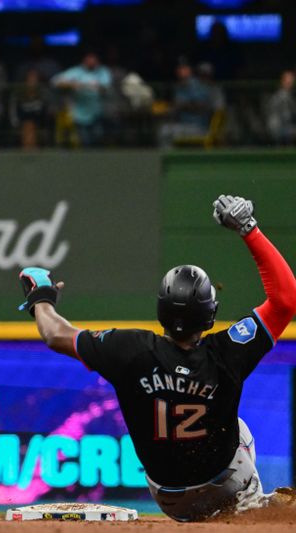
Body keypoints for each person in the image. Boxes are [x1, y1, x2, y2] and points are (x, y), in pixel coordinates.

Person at [17, 195, 296, 522]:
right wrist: (249, 229)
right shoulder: (228, 352)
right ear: (210, 316)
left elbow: (54, 334)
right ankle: (249, 507)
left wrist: (41, 297)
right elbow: (286, 300)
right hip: (224, 486)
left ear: (161, 309)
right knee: (240, 429)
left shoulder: (129, 348)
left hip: (169, 497)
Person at [51, 51, 111, 147]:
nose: (91, 61)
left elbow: (106, 87)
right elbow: (55, 81)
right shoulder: (76, 71)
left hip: (97, 113)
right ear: (84, 60)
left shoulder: (102, 71)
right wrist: (71, 84)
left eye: (93, 59)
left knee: (98, 139)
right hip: (79, 114)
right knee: (85, 142)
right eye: (89, 58)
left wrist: (86, 85)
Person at [266, 70, 295, 146]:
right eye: (288, 80)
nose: (291, 82)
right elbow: (287, 117)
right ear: (282, 81)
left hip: (283, 127)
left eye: (292, 80)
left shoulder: (288, 94)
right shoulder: (281, 95)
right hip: (278, 129)